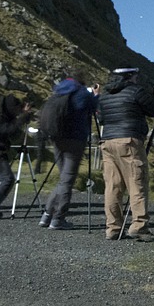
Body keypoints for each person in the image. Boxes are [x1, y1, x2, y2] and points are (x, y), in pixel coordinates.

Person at [96, 67, 154, 241]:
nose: (136, 79)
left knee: (113, 186)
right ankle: (139, 226)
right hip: (129, 142)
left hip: (108, 142)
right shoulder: (135, 91)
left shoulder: (105, 94)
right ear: (129, 77)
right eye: (135, 76)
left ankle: (113, 228)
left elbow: (102, 118)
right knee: (137, 183)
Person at [40, 71, 95, 230]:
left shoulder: (59, 90)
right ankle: (58, 218)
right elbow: (92, 108)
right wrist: (95, 95)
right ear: (82, 80)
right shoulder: (81, 92)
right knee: (67, 179)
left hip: (57, 137)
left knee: (64, 178)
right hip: (74, 140)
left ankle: (47, 215)